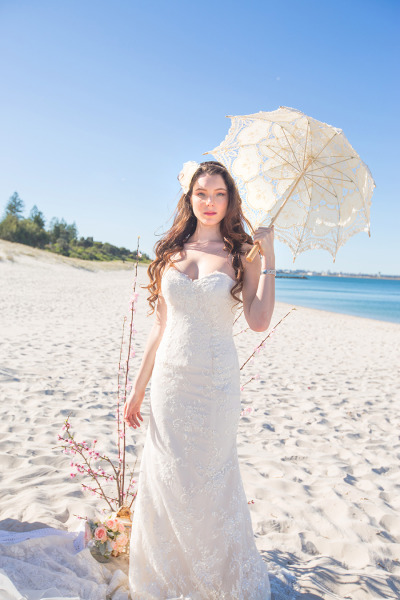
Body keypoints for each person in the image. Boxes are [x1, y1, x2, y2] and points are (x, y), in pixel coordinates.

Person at [124, 160, 275, 599]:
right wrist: (138, 388)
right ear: (189, 198)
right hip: (169, 383)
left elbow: (259, 320)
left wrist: (269, 259)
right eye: (201, 193)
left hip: (215, 385)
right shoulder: (171, 251)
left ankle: (215, 579)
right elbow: (158, 327)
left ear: (230, 200)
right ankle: (168, 575)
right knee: (167, 475)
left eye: (219, 194)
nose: (209, 202)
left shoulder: (241, 252)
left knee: (210, 477)